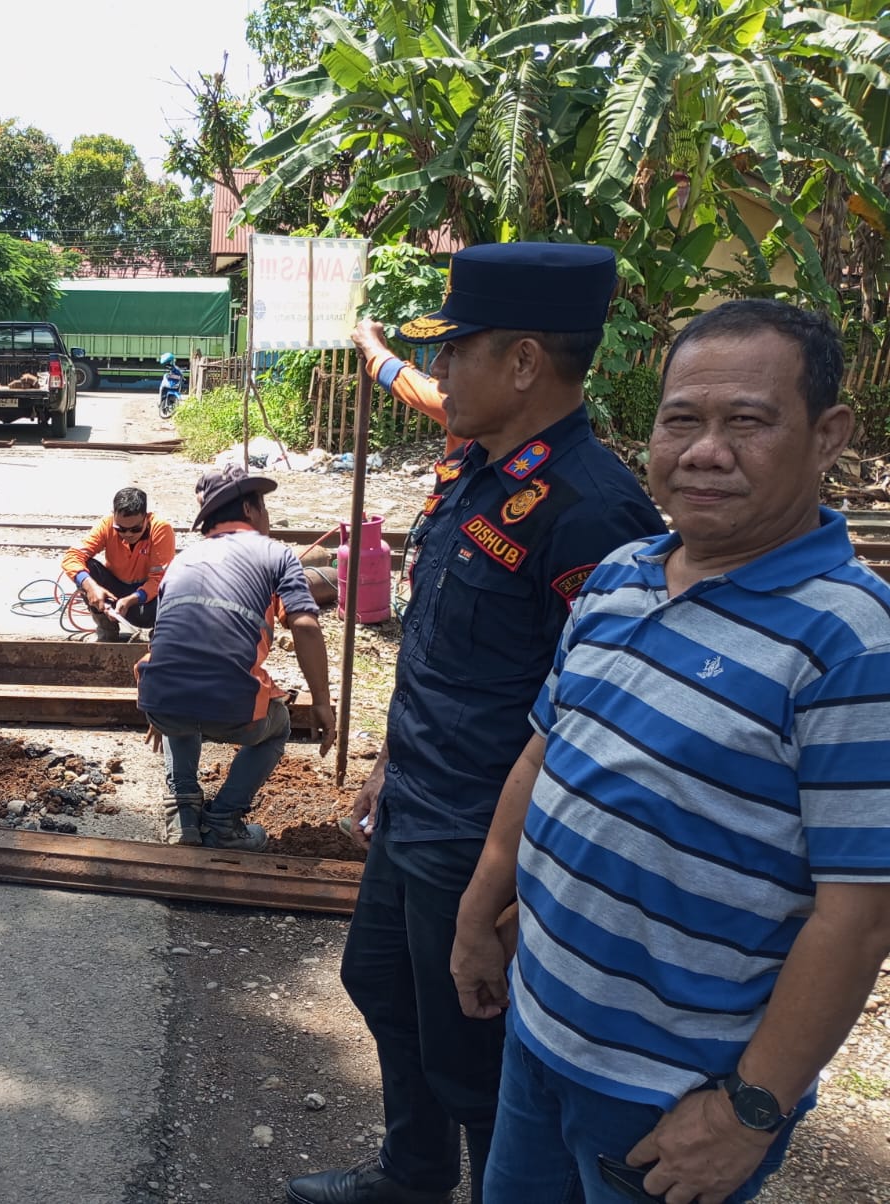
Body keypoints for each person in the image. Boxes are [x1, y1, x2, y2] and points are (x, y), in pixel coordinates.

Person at [449, 299, 890, 1204]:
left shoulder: (852, 644)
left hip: (672, 1094)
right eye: (681, 419)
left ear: (829, 433)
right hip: (541, 1032)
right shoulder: (621, 576)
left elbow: (860, 915)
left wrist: (751, 1111)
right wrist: (479, 913)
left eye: (749, 422)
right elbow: (543, 759)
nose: (704, 452)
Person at [289, 243, 666, 1204]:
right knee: (379, 986)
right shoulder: (478, 472)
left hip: (480, 839)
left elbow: (592, 724)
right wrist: (382, 758)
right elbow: (441, 655)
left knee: (480, 1058)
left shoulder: (592, 514)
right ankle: (412, 1176)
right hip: (415, 803)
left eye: (457, 349)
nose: (443, 369)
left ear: (526, 362)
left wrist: (504, 894)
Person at [137, 463, 336, 849]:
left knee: (181, 710)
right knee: (276, 726)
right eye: (264, 506)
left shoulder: (182, 561)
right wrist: (323, 703)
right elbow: (306, 626)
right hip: (232, 711)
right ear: (249, 509)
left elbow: (165, 639)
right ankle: (223, 822)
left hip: (159, 697)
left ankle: (183, 816)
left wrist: (157, 707)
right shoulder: (276, 554)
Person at [61, 486, 176, 642]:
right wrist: (91, 587)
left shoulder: (161, 529)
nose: (128, 534)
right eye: (120, 528)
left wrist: (132, 599)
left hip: (148, 600)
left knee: (177, 585)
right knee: (87, 567)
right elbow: (72, 557)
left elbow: (159, 579)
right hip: (114, 594)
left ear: (146, 518)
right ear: (113, 516)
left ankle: (161, 638)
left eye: (135, 529)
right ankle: (107, 632)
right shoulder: (106, 524)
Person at [350, 319, 466, 458]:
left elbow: (407, 383)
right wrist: (376, 349)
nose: (435, 367)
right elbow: (421, 382)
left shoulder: (465, 406)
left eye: (458, 351)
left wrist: (371, 345)